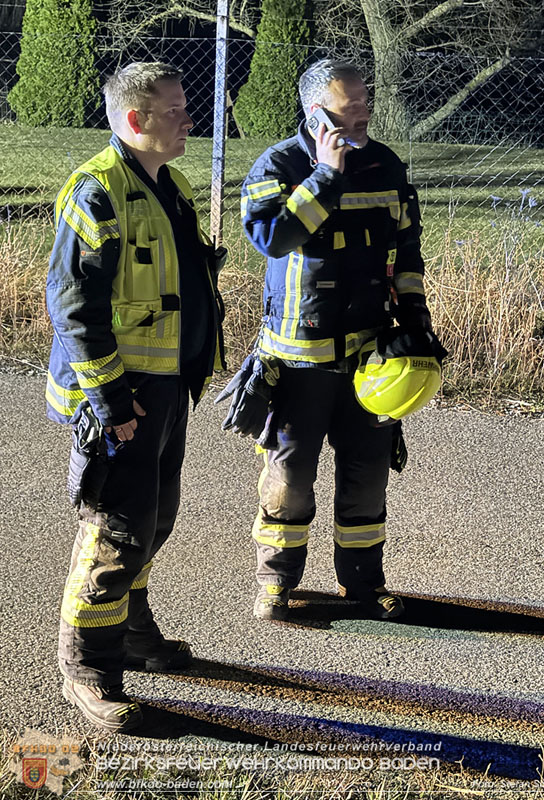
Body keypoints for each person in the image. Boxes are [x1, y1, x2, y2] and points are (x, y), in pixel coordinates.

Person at [45, 62, 225, 732]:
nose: (189, 118)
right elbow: (73, 309)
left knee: (154, 520)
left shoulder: (168, 183)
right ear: (134, 120)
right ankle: (87, 670)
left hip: (166, 386)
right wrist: (114, 403)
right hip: (120, 398)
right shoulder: (94, 192)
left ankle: (132, 632)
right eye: (176, 109)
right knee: (116, 529)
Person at [240, 59, 433, 622]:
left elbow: (407, 248)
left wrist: (415, 317)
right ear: (315, 112)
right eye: (350, 107)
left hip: (372, 356)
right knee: (290, 478)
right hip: (298, 357)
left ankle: (364, 585)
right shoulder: (279, 165)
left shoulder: (385, 164)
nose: (363, 112)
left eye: (364, 102)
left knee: (368, 472)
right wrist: (325, 175)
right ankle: (276, 582)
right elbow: (272, 239)